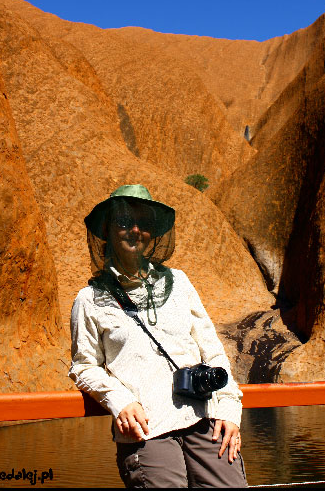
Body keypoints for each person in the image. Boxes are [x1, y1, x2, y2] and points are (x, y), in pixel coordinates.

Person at [69, 184, 248, 488]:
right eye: (124, 222)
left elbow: (213, 351)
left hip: (205, 420)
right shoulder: (89, 300)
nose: (135, 230)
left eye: (144, 223)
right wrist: (119, 400)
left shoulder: (178, 282)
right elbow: (84, 366)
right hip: (146, 431)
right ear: (108, 231)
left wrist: (230, 410)